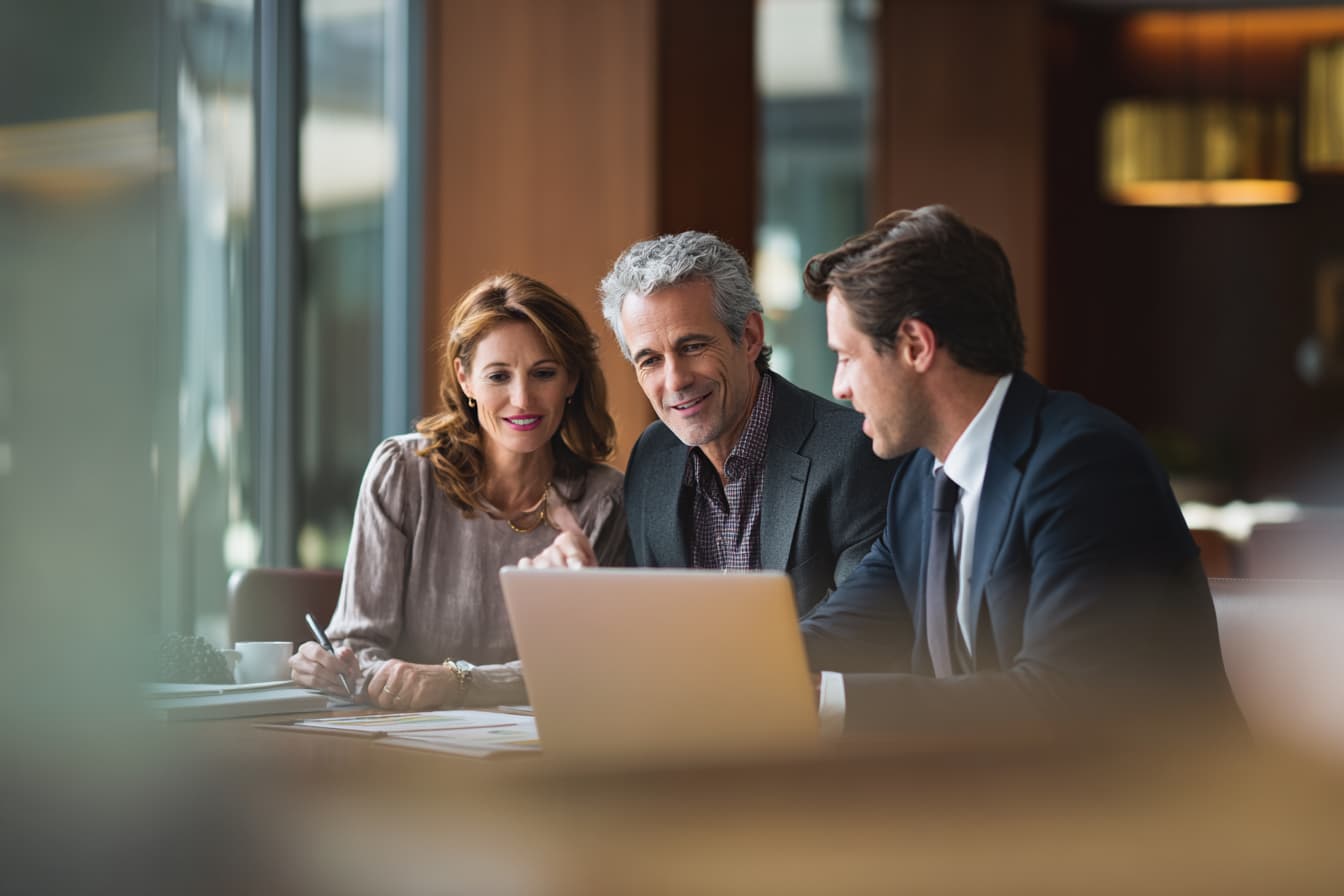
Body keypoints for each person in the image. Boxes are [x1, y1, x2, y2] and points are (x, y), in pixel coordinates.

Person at [799, 204, 1241, 735]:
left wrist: (829, 700)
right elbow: (850, 624)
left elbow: (1064, 697)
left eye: (846, 357)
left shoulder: (1088, 465)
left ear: (916, 345)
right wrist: (739, 668)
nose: (838, 387)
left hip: (1156, 807)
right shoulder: (920, 480)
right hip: (1001, 804)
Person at [289, 273, 629, 709]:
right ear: (464, 378)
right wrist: (335, 668)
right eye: (498, 376)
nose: (522, 399)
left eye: (544, 373)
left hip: (537, 753)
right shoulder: (402, 474)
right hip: (400, 744)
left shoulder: (604, 501)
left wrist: (457, 681)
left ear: (572, 380)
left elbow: (583, 668)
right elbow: (357, 644)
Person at [526, 231, 898, 616]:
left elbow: (864, 629)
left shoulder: (853, 452)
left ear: (750, 337)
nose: (675, 381)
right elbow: (651, 626)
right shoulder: (652, 457)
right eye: (650, 360)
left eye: (692, 347)